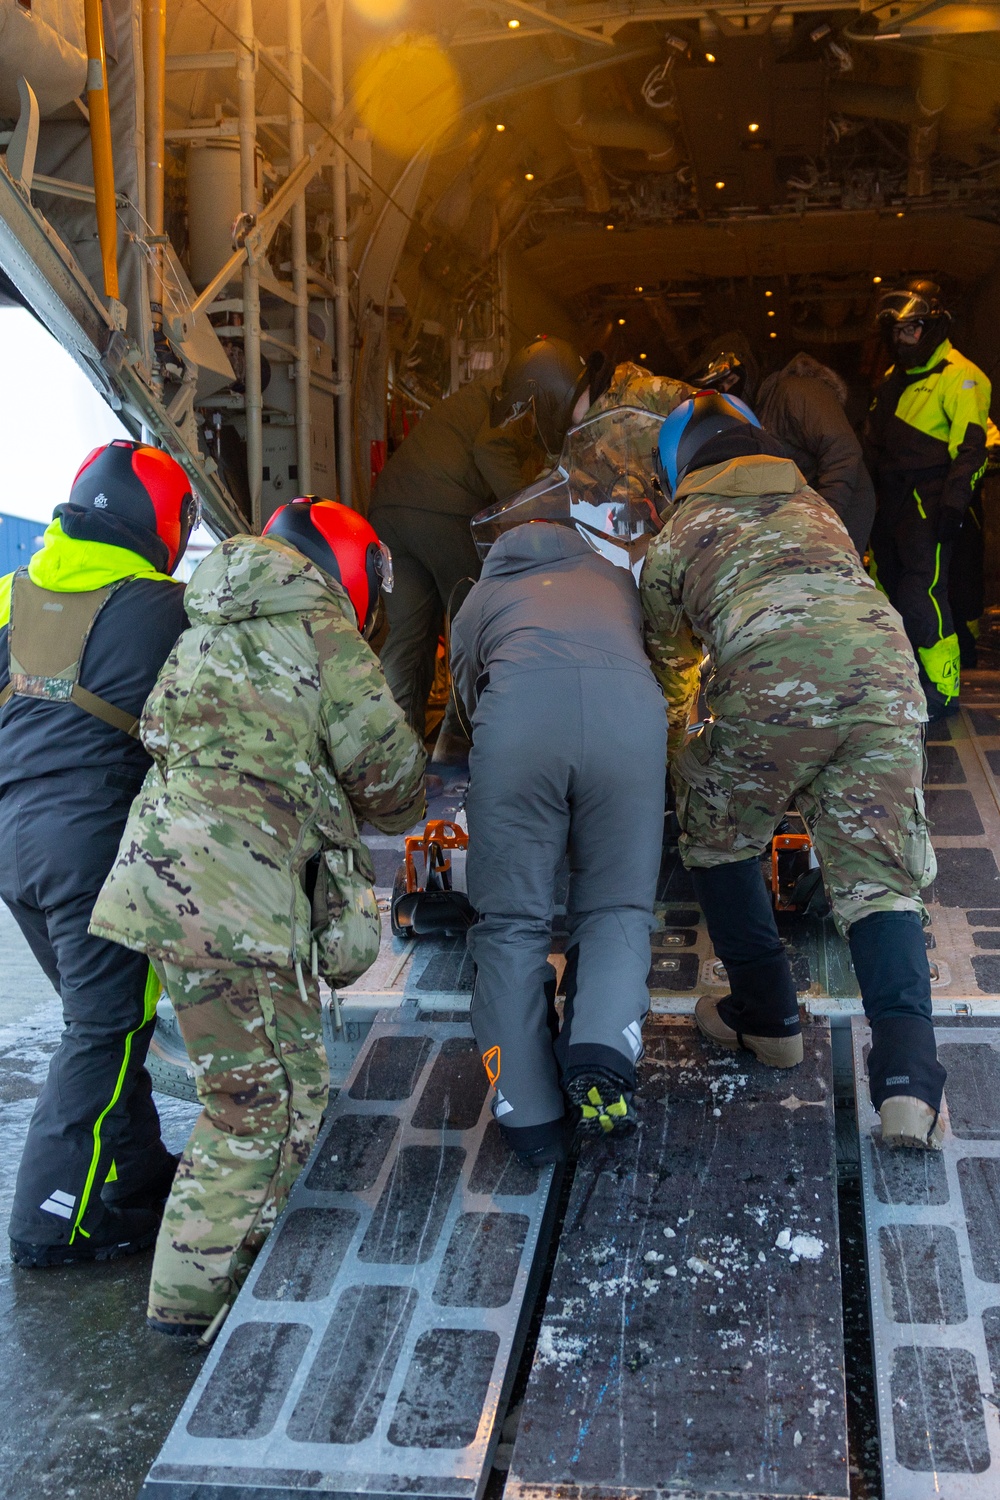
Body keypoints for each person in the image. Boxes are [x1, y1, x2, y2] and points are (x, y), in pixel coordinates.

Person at [89, 498, 426, 1334]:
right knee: (261, 1109)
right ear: (345, 569)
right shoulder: (317, 628)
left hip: (167, 884)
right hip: (234, 897)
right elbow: (392, 787)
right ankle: (188, 1307)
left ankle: (226, 1285)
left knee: (256, 1094)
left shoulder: (209, 619)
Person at [642, 392, 946, 1151]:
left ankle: (769, 1018)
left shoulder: (678, 534)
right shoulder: (817, 508)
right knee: (880, 881)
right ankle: (909, 1083)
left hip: (765, 684)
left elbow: (670, 666)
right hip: (882, 673)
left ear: (679, 465)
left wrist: (691, 746)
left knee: (716, 837)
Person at [0, 440, 194, 1267]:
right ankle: (51, 1223)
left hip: (12, 842)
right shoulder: (164, 607)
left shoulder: (11, 591)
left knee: (113, 1021)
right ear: (161, 525)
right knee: (106, 1026)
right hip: (90, 846)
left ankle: (138, 1178)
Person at [451, 434, 670, 1166]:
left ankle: (530, 1114)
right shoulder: (614, 582)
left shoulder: (482, 597)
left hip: (519, 734)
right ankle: (601, 1049)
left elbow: (462, 708)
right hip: (630, 727)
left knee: (511, 922)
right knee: (613, 907)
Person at [369, 361, 554, 748]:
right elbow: (491, 451)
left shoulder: (481, 397)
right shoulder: (515, 406)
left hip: (390, 510)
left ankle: (394, 750)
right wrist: (534, 510)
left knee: (407, 636)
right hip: (443, 514)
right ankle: (461, 743)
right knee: (471, 628)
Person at [865, 278, 991, 719]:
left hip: (930, 499)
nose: (903, 341)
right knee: (885, 594)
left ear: (933, 325)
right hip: (891, 502)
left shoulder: (962, 375)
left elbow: (971, 448)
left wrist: (955, 506)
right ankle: (897, 679)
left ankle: (942, 690)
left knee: (922, 595)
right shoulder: (890, 381)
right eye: (896, 333)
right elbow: (874, 446)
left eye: (911, 330)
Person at [491, 340, 693, 506]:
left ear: (550, 394)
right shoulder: (568, 450)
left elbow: (718, 420)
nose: (534, 424)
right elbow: (543, 496)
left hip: (691, 535)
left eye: (532, 413)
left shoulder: (648, 394)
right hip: (630, 550)